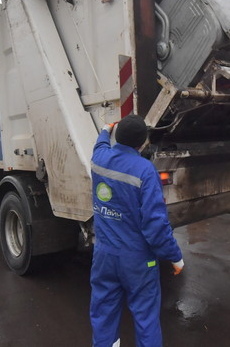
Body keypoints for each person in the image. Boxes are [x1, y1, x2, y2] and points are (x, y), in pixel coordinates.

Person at [89, 114, 185, 347]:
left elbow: (100, 144)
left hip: (104, 256)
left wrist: (105, 129)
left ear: (117, 136)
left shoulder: (99, 159)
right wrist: (175, 257)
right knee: (145, 317)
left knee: (103, 313)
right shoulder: (145, 170)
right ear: (143, 143)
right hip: (137, 260)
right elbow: (155, 226)